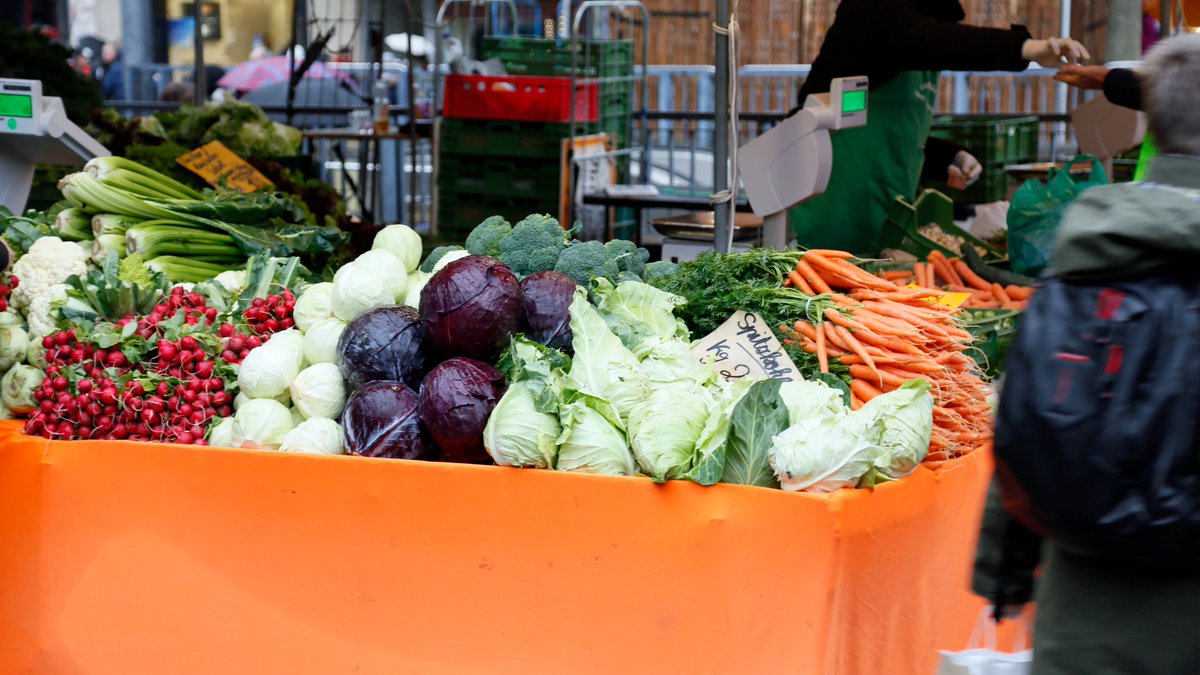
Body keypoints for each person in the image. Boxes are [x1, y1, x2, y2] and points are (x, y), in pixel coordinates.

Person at [973, 33, 1200, 675]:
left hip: (1088, 609)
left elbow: (1028, 418)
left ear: (1155, 120)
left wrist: (1005, 571)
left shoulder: (1088, 255)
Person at [786, 0, 1088, 255]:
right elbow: (914, 37)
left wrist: (947, 157)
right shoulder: (870, 14)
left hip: (884, 221)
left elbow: (882, 130)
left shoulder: (926, 31)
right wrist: (1025, 48)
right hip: (824, 221)